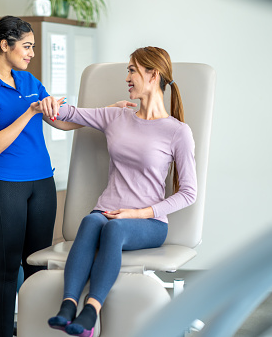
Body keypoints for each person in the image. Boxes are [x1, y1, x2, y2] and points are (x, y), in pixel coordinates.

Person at [0, 15, 133, 337]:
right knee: (7, 268)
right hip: (5, 186)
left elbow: (61, 121)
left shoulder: (30, 82)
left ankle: (34, 331)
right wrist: (30, 112)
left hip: (41, 183)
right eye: (26, 46)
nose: (31, 53)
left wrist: (109, 111)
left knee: (37, 266)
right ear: (5, 45)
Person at [45, 46, 197, 337]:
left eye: (132, 70)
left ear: (153, 74)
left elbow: (189, 192)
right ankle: (67, 307)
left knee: (114, 231)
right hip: (107, 210)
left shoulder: (178, 132)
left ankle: (91, 312)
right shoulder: (117, 115)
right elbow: (66, 115)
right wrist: (46, 103)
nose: (126, 77)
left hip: (148, 222)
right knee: (91, 221)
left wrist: (138, 213)